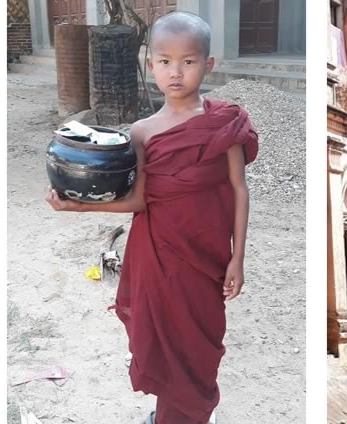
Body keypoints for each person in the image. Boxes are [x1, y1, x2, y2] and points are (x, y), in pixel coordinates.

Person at [47, 11, 258, 424]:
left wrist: (238, 257)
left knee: (200, 342)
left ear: (208, 64)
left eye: (188, 61)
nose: (175, 72)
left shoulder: (223, 122)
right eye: (164, 61)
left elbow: (239, 189)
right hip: (156, 254)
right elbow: (139, 199)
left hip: (207, 255)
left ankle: (185, 414)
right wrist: (79, 206)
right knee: (162, 339)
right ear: (150, 65)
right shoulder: (142, 131)